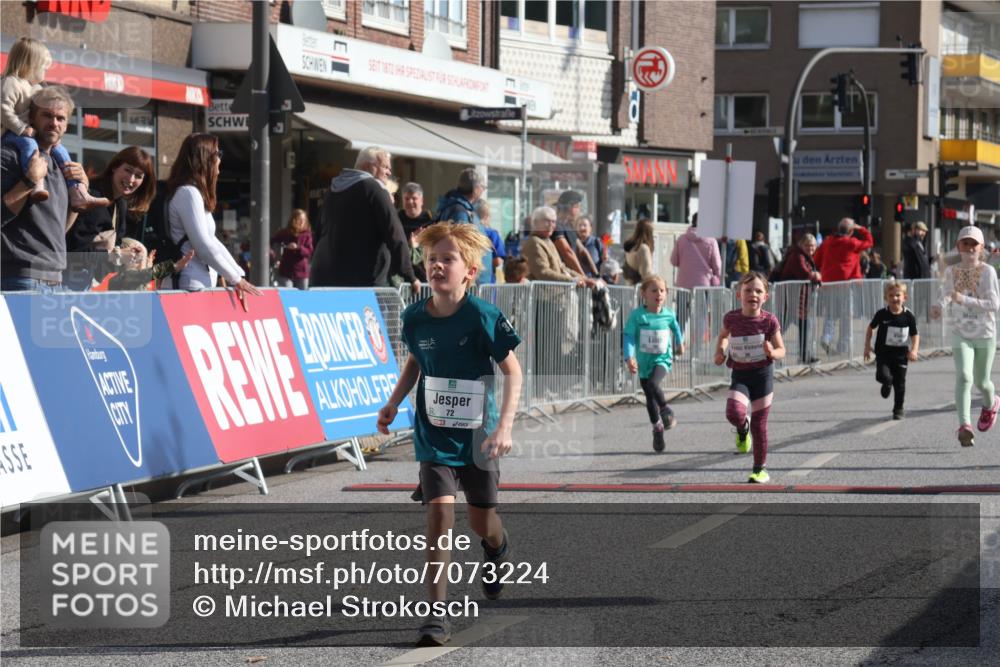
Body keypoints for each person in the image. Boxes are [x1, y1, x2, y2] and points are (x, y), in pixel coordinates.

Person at [376, 222, 522, 647]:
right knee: (440, 515)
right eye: (431, 258)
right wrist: (393, 400)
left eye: (448, 259)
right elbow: (416, 361)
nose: (437, 265)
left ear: (470, 271)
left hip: (479, 438)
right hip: (434, 435)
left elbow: (513, 370)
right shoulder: (415, 317)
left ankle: (496, 546)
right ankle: (436, 614)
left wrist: (505, 426)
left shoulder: (483, 316)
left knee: (482, 522)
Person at [2, 38, 109, 212]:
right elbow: (4, 110)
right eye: (43, 67)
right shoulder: (11, 83)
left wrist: (83, 179)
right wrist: (21, 128)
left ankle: (78, 191)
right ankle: (37, 183)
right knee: (30, 146)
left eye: (61, 118)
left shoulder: (34, 88)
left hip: (27, 132)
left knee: (62, 151)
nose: (54, 123)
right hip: (14, 132)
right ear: (30, 64)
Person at [1, 86, 89, 292]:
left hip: (55, 279)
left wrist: (81, 190)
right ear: (31, 118)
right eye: (47, 115)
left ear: (67, 125)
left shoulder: (62, 166)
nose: (54, 123)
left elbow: (58, 227)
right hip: (18, 277)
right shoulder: (8, 155)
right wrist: (29, 181)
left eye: (61, 118)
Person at [165, 133, 261, 304]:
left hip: (199, 281)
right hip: (190, 284)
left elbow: (213, 242)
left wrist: (238, 276)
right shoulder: (189, 193)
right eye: (217, 154)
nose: (219, 159)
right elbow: (203, 246)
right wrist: (235, 279)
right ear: (204, 159)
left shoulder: (194, 193)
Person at [310, 146, 420, 291]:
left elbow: (318, 232)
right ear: (369, 166)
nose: (389, 172)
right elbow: (395, 233)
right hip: (360, 285)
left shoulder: (333, 190)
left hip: (322, 279)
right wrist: (410, 275)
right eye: (385, 166)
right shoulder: (374, 188)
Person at [931, 226, 1000, 447]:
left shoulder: (988, 271)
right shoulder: (952, 271)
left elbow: (994, 305)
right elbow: (948, 294)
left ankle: (991, 404)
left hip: (984, 333)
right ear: (958, 246)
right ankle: (965, 426)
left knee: (982, 382)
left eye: (974, 244)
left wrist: (965, 300)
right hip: (961, 332)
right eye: (965, 243)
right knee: (964, 377)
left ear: (981, 248)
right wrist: (938, 306)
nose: (969, 248)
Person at [714, 272, 785, 483]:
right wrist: (720, 351)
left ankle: (759, 469)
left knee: (760, 424)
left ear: (766, 297)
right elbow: (723, 337)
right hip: (741, 374)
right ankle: (741, 429)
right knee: (734, 413)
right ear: (739, 295)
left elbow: (782, 349)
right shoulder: (732, 318)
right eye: (748, 290)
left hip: (762, 376)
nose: (753, 294)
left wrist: (772, 352)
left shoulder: (769, 321)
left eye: (758, 291)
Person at [64, 146, 156, 290]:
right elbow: (74, 253)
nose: (131, 179)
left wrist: (132, 254)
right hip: (65, 285)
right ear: (114, 167)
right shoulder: (92, 196)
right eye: (128, 170)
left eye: (138, 176)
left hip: (86, 285)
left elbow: (114, 249)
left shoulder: (120, 203)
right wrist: (115, 255)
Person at [624, 275, 684, 452]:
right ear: (644, 294)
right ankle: (657, 428)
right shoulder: (637, 316)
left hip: (662, 359)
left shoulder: (668, 313)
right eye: (654, 290)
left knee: (653, 383)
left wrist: (680, 343)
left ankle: (665, 410)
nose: (659, 294)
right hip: (643, 361)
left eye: (662, 290)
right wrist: (629, 357)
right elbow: (628, 337)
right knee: (649, 397)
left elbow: (675, 327)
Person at [813, 217, 873, 355]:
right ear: (851, 231)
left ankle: (826, 337)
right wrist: (861, 229)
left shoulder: (827, 242)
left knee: (831, 313)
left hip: (829, 284)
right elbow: (869, 242)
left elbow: (816, 259)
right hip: (847, 284)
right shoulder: (851, 243)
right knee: (846, 316)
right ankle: (843, 347)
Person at [864, 282, 919, 420]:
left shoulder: (908, 316)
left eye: (898, 295)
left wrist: (914, 350)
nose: (894, 298)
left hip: (901, 356)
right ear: (886, 298)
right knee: (884, 375)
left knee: (900, 383)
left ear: (904, 297)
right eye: (891, 295)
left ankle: (898, 409)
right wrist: (867, 346)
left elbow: (915, 335)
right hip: (884, 354)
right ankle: (886, 383)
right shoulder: (882, 314)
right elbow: (870, 328)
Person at [779, 233, 822, 364]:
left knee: (803, 327)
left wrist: (815, 276)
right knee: (780, 328)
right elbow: (804, 273)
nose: (811, 248)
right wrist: (816, 275)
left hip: (800, 299)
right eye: (808, 245)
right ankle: (767, 352)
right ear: (801, 245)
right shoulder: (797, 256)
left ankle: (805, 356)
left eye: (813, 246)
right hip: (791, 298)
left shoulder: (804, 256)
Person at [105, 238, 195, 291]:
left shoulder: (132, 278)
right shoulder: (122, 278)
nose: (142, 263)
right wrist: (174, 266)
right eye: (139, 260)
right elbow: (144, 274)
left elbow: (142, 276)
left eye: (144, 259)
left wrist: (147, 268)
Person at [671, 214, 722, 289]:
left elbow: (673, 261)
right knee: (701, 301)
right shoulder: (711, 241)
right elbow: (717, 266)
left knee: (683, 300)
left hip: (682, 285)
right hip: (703, 285)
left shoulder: (681, 239)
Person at [551, 189, 594, 277]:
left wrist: (596, 275)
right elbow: (567, 253)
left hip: (571, 278)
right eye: (578, 207)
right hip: (561, 278)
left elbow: (583, 251)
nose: (579, 211)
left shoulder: (569, 227)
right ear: (572, 208)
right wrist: (584, 277)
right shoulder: (556, 226)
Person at [271, 209, 313, 289]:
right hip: (286, 270)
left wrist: (298, 248)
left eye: (303, 220)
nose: (301, 222)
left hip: (301, 271)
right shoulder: (285, 232)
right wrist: (275, 253)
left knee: (303, 295)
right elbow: (273, 241)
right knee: (287, 292)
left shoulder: (307, 235)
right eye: (299, 220)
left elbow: (309, 252)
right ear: (293, 220)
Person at [475, 199, 505, 284]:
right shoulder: (492, 234)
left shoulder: (469, 232)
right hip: (487, 283)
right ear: (486, 216)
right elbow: (498, 261)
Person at [623, 218, 655, 285]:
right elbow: (646, 273)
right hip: (641, 289)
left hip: (630, 285)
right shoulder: (643, 248)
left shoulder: (631, 247)